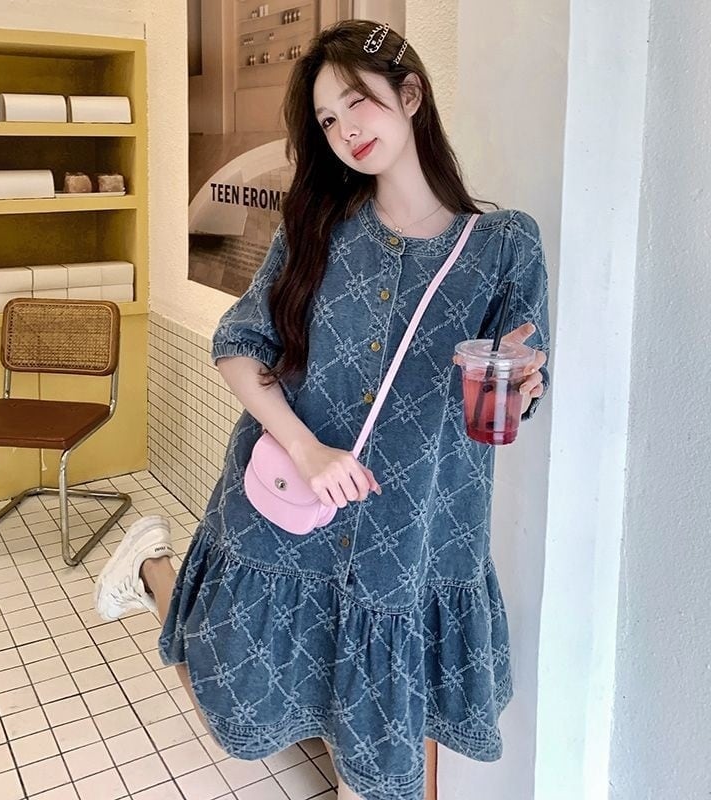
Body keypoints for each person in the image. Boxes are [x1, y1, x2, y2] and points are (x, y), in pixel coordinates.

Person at [94, 18, 550, 800]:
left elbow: (514, 387)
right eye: (328, 120)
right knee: (227, 691)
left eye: (356, 103)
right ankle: (150, 567)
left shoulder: (505, 246)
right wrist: (307, 449)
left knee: (379, 756)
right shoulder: (318, 227)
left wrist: (527, 384)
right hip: (290, 508)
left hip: (411, 537)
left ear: (411, 94)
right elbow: (239, 344)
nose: (345, 131)